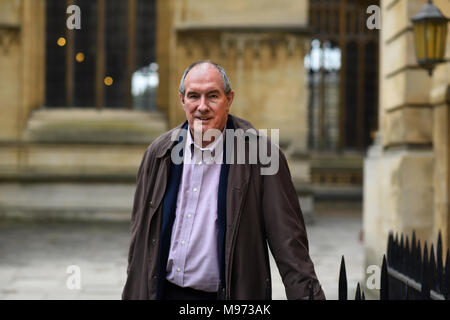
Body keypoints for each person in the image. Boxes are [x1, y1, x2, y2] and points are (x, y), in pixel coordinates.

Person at [122, 60, 325, 300]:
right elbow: (140, 239)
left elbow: (290, 246)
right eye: (194, 96)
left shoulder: (261, 157)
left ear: (229, 99)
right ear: (182, 100)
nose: (202, 106)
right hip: (165, 292)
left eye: (213, 96)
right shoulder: (158, 153)